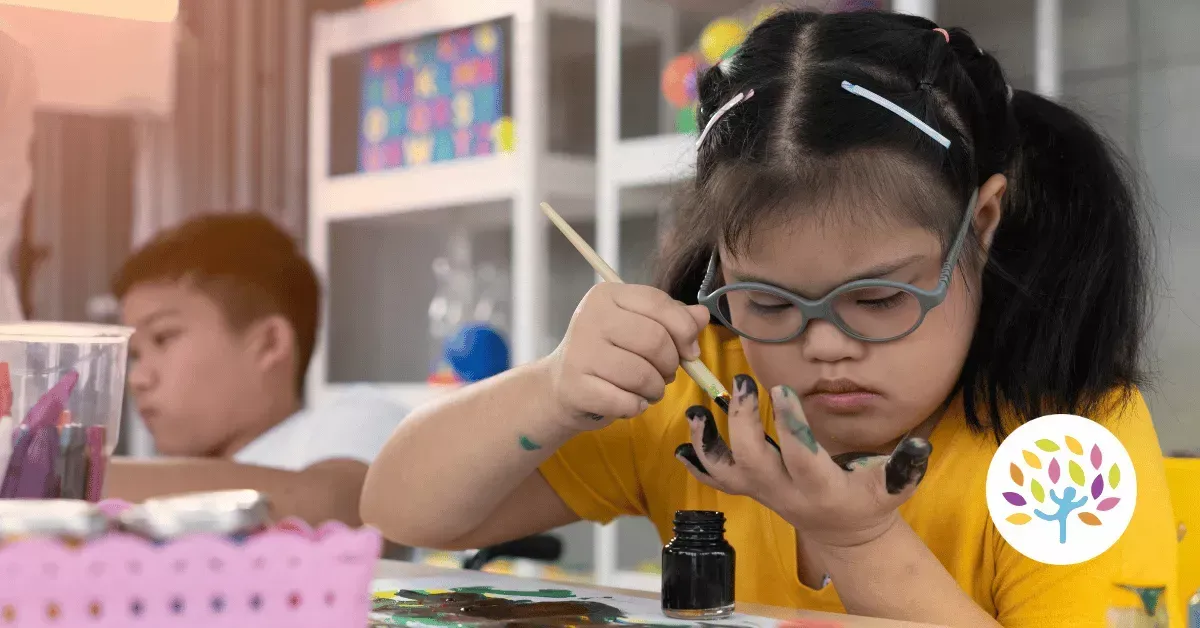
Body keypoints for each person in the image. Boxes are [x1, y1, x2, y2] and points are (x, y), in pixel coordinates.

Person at [361, 9, 1177, 627]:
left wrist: (859, 542)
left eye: (879, 298)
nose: (825, 346)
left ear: (984, 225)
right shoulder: (713, 396)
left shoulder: (1070, 448)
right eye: (769, 303)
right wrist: (550, 389)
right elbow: (399, 513)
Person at [105, 212, 409, 527]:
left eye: (164, 338)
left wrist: (81, 478)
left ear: (269, 343)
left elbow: (348, 508)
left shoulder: (356, 417)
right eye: (135, 355)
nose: (137, 379)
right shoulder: (165, 477)